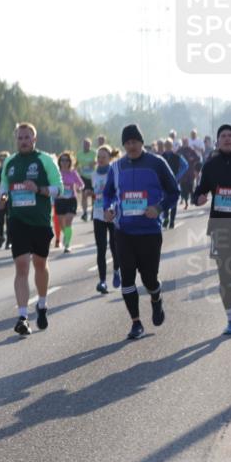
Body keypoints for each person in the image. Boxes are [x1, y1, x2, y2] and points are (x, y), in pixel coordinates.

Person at [102, 125, 179, 339]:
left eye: (135, 141)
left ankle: (156, 297)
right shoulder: (116, 167)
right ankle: (136, 323)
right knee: (127, 278)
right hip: (123, 231)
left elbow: (174, 192)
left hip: (149, 231)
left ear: (141, 142)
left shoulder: (157, 163)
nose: (131, 146)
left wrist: (159, 208)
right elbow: (107, 194)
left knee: (149, 279)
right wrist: (108, 209)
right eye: (127, 143)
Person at [0, 122, 62, 335]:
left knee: (40, 264)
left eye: (27, 138)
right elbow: (4, 187)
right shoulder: (10, 162)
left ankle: (42, 304)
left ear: (34, 140)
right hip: (18, 221)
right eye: (20, 138)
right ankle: (23, 317)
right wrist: (3, 198)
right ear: (15, 140)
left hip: (41, 222)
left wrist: (39, 189)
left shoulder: (45, 160)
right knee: (22, 265)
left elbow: (59, 189)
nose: (23, 141)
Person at [193, 124, 231, 336]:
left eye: (230, 135)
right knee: (224, 277)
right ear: (217, 141)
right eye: (223, 135)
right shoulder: (210, 165)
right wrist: (199, 198)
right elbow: (199, 191)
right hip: (220, 227)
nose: (227, 138)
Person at [91, 145, 121, 293]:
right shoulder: (93, 174)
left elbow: (117, 192)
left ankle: (116, 271)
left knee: (115, 247)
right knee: (101, 249)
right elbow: (94, 192)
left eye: (103, 157)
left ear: (110, 158)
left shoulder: (114, 172)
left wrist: (111, 206)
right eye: (98, 157)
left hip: (112, 214)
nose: (100, 160)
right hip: (98, 215)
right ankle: (102, 281)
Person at [56, 151, 83, 253]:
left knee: (68, 221)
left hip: (71, 200)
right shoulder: (56, 172)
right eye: (62, 160)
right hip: (59, 200)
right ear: (59, 162)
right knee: (61, 222)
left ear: (70, 162)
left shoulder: (73, 173)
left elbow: (81, 184)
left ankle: (67, 244)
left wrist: (80, 188)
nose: (64, 162)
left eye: (66, 160)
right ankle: (66, 235)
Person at [161, 139, 189, 229]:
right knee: (165, 200)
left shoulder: (177, 156)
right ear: (165, 147)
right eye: (167, 145)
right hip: (164, 183)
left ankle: (171, 221)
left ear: (172, 146)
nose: (168, 147)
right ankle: (166, 218)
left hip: (174, 182)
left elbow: (185, 165)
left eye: (169, 145)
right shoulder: (161, 157)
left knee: (173, 201)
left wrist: (177, 176)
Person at [177, 137, 202, 209]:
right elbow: (174, 158)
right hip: (182, 173)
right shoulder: (180, 150)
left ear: (188, 142)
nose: (185, 143)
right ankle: (186, 202)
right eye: (183, 142)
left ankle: (192, 199)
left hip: (190, 172)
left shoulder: (191, 150)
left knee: (190, 187)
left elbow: (198, 158)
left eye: (186, 142)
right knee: (183, 188)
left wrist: (193, 159)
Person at [77, 138, 97, 221]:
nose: (86, 146)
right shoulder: (79, 154)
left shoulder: (94, 153)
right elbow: (76, 164)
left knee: (93, 196)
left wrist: (93, 163)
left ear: (90, 145)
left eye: (88, 144)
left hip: (93, 176)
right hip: (83, 177)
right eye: (85, 144)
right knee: (84, 195)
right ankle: (85, 213)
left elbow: (97, 162)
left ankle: (93, 212)